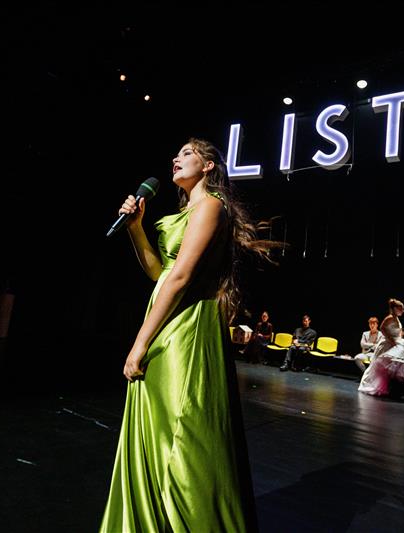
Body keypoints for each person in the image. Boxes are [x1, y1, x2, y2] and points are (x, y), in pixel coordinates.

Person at [99, 138, 268, 532]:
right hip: (166, 322)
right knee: (157, 426)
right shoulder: (185, 211)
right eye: (176, 153)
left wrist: (140, 341)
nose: (176, 158)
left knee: (182, 429)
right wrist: (136, 229)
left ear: (208, 166)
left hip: (186, 328)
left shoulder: (211, 206)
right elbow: (159, 273)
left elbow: (180, 277)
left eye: (188, 153)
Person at [358, 299, 404, 401]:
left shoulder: (396, 318)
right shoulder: (390, 317)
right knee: (387, 367)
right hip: (388, 344)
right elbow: (382, 328)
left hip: (397, 343)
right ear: (395, 309)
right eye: (401, 309)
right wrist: (391, 339)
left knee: (400, 365)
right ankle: (392, 389)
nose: (403, 311)